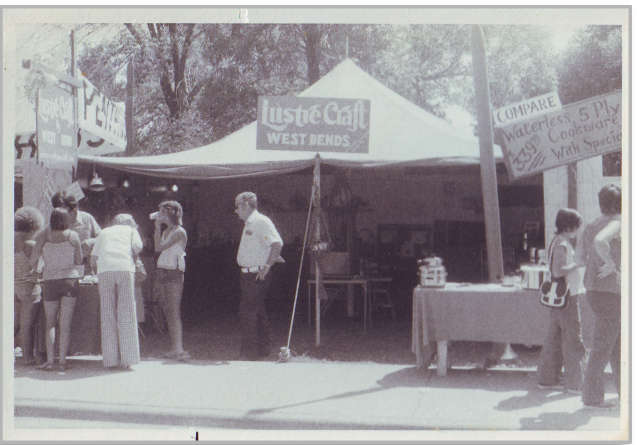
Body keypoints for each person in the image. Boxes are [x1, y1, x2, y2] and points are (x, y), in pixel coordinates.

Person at [577, 184, 621, 409]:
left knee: (617, 343)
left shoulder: (591, 225)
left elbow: (581, 258)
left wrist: (600, 264)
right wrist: (612, 263)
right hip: (611, 292)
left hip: (594, 290)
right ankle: (592, 398)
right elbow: (600, 242)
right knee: (604, 345)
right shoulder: (618, 222)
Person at [536, 208, 585, 393]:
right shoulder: (563, 244)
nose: (578, 230)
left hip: (557, 298)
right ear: (569, 226)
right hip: (567, 297)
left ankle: (547, 379)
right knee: (573, 340)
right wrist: (579, 263)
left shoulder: (555, 241)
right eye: (577, 226)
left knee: (554, 339)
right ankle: (575, 383)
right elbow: (559, 271)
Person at [234, 192, 283, 360]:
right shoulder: (250, 223)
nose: (236, 211)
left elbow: (277, 244)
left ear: (245, 205)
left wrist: (267, 266)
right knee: (257, 310)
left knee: (247, 312)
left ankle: (249, 353)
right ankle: (263, 348)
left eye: (237, 206)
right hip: (248, 273)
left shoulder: (261, 222)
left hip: (256, 273)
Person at [91, 214, 143, 370]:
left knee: (107, 313)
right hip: (124, 268)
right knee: (126, 312)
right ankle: (128, 359)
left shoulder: (104, 232)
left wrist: (95, 272)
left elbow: (93, 258)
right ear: (129, 223)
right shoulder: (131, 230)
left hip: (105, 270)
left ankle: (110, 360)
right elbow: (137, 247)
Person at [37, 208, 83, 371]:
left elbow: (35, 258)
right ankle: (62, 361)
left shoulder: (43, 235)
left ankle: (50, 361)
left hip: (50, 281)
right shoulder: (73, 236)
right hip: (70, 279)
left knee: (50, 323)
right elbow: (79, 259)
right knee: (65, 323)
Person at [153, 200, 189, 361]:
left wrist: (156, 227)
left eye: (162, 212)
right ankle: (175, 348)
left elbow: (160, 247)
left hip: (174, 272)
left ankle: (179, 349)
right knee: (167, 310)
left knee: (173, 311)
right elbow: (157, 246)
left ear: (170, 213)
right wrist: (157, 228)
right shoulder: (167, 231)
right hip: (163, 271)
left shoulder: (179, 231)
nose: (159, 215)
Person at [14, 207, 45, 366]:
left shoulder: (7, 240)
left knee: (12, 324)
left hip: (12, 286)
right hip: (30, 288)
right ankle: (27, 358)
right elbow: (39, 268)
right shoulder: (32, 244)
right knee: (27, 325)